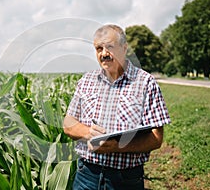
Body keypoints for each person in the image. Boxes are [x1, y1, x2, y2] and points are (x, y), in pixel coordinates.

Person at [63, 24, 171, 190]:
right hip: (86, 175)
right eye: (99, 48)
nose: (104, 54)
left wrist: (117, 147)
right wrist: (89, 134)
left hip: (126, 179)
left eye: (110, 47)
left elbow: (156, 138)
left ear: (124, 48)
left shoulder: (145, 82)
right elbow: (68, 123)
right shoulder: (86, 81)